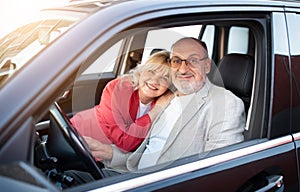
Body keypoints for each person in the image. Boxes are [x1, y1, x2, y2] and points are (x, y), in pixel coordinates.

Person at [83, 37, 245, 172]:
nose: (183, 69)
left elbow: (219, 171)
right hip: (128, 175)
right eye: (176, 61)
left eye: (193, 60)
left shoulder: (225, 104)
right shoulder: (165, 97)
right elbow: (147, 155)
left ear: (207, 65)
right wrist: (109, 153)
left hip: (164, 188)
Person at [70, 51, 173, 152]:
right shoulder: (118, 88)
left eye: (164, 78)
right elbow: (125, 142)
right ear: (142, 71)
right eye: (152, 71)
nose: (155, 81)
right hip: (79, 136)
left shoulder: (167, 102)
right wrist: (155, 111)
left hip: (107, 155)